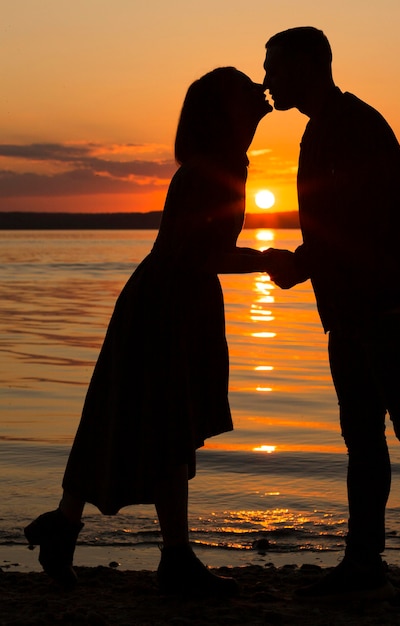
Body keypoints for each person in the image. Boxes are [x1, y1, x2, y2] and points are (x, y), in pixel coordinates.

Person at [24, 67, 273, 598]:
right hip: (169, 301)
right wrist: (267, 260)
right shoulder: (219, 165)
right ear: (224, 110)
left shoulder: (217, 162)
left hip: (167, 297)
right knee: (161, 424)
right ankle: (173, 558)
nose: (261, 89)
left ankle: (67, 527)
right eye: (246, 87)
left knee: (134, 417)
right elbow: (200, 252)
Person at [262, 27, 400, 611]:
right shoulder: (326, 126)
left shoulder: (351, 125)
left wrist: (301, 266)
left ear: (310, 63)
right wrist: (313, 271)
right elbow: (342, 222)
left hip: (393, 305)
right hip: (356, 307)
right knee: (363, 436)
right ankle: (364, 563)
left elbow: (360, 220)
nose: (267, 79)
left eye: (275, 67)